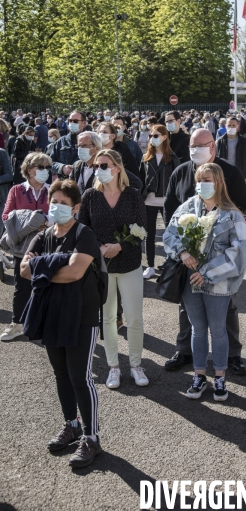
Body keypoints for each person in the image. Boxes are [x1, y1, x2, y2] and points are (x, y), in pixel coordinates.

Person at [20, 179, 103, 467]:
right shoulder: (43, 236)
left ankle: (92, 439)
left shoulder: (85, 235)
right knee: (61, 374)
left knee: (81, 377)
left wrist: (43, 266)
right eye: (53, 202)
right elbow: (23, 269)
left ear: (76, 208)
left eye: (63, 204)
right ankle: (72, 424)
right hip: (51, 313)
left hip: (82, 314)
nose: (56, 207)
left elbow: (75, 272)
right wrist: (57, 263)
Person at [164, 163, 246, 401]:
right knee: (197, 329)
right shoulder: (187, 208)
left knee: (218, 330)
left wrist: (209, 272)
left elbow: (243, 250)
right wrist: (183, 253)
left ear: (219, 182)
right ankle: (200, 375)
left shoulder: (232, 214)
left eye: (208, 180)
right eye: (200, 179)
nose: (203, 184)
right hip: (189, 281)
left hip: (218, 284)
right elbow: (169, 234)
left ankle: (221, 377)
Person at [78, 149, 148, 389]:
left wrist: (120, 245)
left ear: (118, 168)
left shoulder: (132, 195)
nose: (100, 170)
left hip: (129, 264)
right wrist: (99, 248)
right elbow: (83, 229)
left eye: (104, 165)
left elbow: (141, 228)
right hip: (102, 268)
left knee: (134, 318)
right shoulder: (90, 196)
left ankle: (137, 365)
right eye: (98, 166)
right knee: (107, 318)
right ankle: (114, 368)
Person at [1, 152, 52, 341]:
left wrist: (45, 222)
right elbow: (6, 215)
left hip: (47, 242)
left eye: (48, 167)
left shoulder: (53, 189)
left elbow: (60, 212)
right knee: (21, 286)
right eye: (41, 167)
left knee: (46, 283)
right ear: (30, 170)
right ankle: (18, 323)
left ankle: (43, 322)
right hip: (22, 245)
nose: (45, 171)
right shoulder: (16, 190)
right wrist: (28, 221)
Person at [140, 124, 180, 279]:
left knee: (170, 234)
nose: (152, 139)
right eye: (151, 136)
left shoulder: (173, 158)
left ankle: (170, 263)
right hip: (148, 201)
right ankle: (150, 265)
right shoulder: (145, 158)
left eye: (156, 136)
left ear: (164, 137)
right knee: (149, 235)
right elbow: (140, 179)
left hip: (167, 201)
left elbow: (177, 181)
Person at [216, 116, 246, 184]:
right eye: (229, 125)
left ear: (237, 126)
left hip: (240, 177)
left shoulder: (245, 142)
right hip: (222, 178)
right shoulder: (219, 142)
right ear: (225, 126)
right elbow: (214, 159)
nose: (231, 127)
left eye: (233, 125)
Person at [51, 110, 87, 178]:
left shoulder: (91, 140)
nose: (72, 123)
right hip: (64, 182)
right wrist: (62, 168)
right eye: (70, 121)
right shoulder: (61, 141)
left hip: (84, 182)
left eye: (75, 121)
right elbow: (50, 162)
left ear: (84, 123)